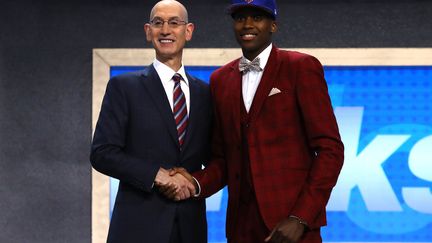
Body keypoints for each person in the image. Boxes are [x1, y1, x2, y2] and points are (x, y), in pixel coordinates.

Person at [165, 0, 344, 242]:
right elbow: (223, 159)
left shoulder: (300, 67)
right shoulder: (220, 80)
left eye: (257, 17)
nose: (247, 25)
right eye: (240, 18)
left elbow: (330, 150)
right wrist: (195, 182)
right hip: (241, 228)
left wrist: (300, 218)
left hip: (290, 228)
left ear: (273, 26)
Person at [90, 1, 212, 242]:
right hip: (137, 228)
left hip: (190, 229)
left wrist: (194, 183)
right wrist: (156, 175)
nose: (165, 30)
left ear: (188, 31)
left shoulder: (205, 93)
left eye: (174, 23)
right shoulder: (124, 87)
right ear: (148, 31)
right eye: (158, 23)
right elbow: (102, 153)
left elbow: (217, 157)